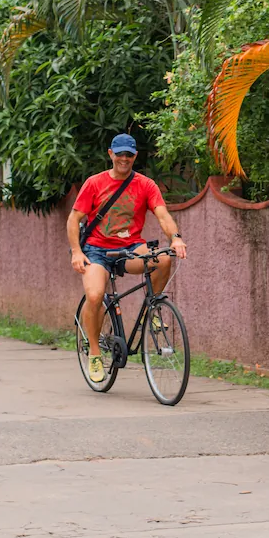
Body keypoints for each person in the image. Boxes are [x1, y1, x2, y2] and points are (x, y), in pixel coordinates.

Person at [67, 134, 187, 383]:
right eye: (119, 154)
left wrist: (175, 237)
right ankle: (95, 354)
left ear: (135, 157)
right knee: (95, 295)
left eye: (129, 155)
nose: (124, 158)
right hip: (96, 250)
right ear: (110, 154)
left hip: (130, 247)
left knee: (163, 260)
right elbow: (74, 219)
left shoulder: (145, 184)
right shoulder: (94, 183)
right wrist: (77, 252)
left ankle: (151, 310)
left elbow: (163, 215)